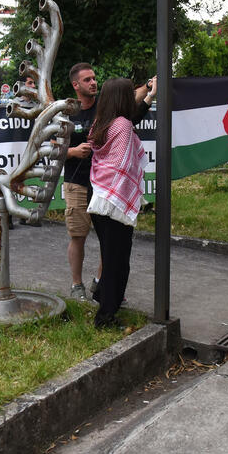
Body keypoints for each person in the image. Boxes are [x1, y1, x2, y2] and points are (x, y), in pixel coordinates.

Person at [62, 63, 154, 300]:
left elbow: (132, 100)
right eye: (87, 80)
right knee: (78, 235)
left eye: (94, 78)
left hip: (103, 186)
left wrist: (150, 87)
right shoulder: (66, 112)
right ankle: (76, 285)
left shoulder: (105, 108)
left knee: (108, 239)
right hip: (77, 182)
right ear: (75, 85)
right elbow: (49, 146)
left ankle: (102, 284)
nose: (93, 83)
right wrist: (72, 151)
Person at [87, 78, 149, 328]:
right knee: (118, 264)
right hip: (115, 203)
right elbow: (122, 164)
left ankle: (102, 296)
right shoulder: (123, 125)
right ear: (123, 98)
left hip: (101, 198)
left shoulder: (101, 122)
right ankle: (105, 318)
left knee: (110, 257)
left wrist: (149, 95)